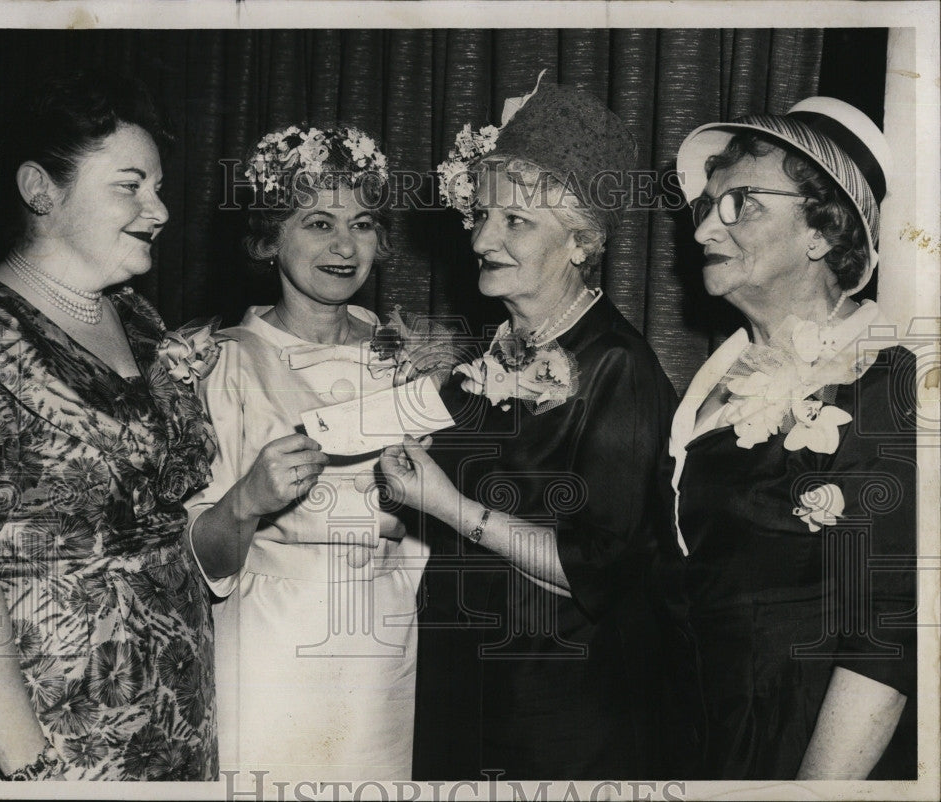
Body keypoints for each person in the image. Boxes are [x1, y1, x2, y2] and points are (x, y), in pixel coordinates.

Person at [379, 78, 679, 779]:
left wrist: (448, 505)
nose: (481, 238)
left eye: (515, 221)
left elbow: (600, 569)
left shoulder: (618, 368)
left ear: (581, 241)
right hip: (463, 686)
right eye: (483, 214)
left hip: (557, 708)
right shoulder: (492, 353)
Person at [0, 71, 220, 780]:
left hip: (175, 711)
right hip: (56, 734)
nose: (159, 209)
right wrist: (26, 767)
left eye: (160, 187)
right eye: (130, 185)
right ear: (41, 190)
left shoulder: (138, 317)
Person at [669, 97, 917, 779]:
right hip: (701, 736)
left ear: (821, 230)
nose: (702, 232)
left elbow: (888, 635)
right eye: (707, 205)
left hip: (803, 748)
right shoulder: (711, 380)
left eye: (742, 202)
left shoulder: (886, 383)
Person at [185, 125, 427, 781]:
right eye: (319, 223)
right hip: (271, 657)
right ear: (268, 238)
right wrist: (248, 500)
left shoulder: (404, 354)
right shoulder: (223, 361)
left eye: (364, 223)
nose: (346, 246)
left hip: (381, 652)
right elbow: (200, 555)